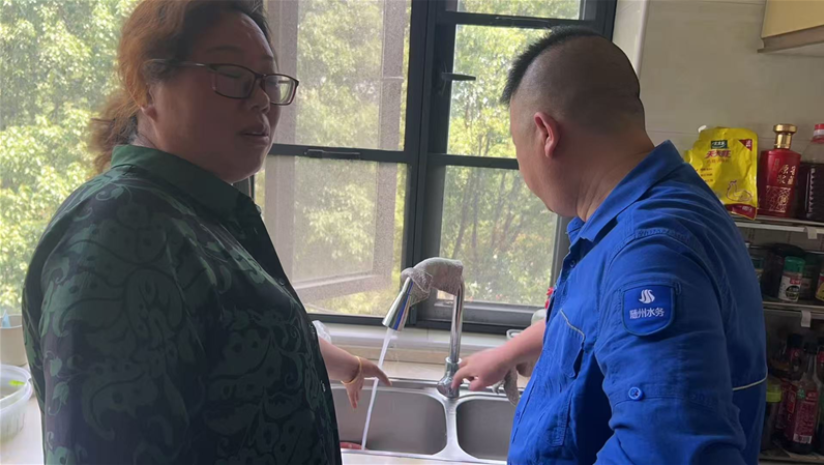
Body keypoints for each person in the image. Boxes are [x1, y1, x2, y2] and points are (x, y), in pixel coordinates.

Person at [21, 1, 388, 464]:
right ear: (145, 87)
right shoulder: (120, 231)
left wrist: (340, 363)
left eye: (267, 80)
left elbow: (238, 336)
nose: (261, 100)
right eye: (232, 75)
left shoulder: (192, 213)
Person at [452, 26, 766, 464]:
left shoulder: (651, 251)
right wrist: (509, 353)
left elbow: (664, 454)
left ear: (545, 134)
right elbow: (597, 327)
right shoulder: (642, 215)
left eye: (517, 147)